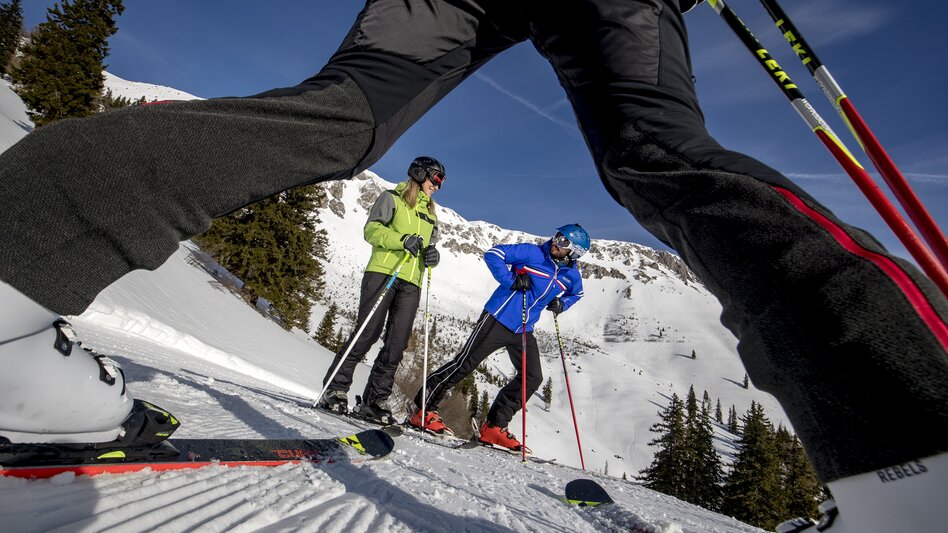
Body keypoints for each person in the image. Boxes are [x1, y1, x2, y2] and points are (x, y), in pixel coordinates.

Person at [0, 2, 944, 530]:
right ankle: (912, 453)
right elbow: (511, 258)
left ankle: (12, 277)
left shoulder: (565, 270)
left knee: (341, 114)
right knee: (658, 155)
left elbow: (556, 278)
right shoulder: (531, 252)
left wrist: (554, 278)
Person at [407, 224, 588, 452]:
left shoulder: (571, 275)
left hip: (523, 328)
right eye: (557, 236)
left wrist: (562, 304)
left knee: (532, 377)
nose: (556, 242)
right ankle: (422, 410)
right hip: (497, 318)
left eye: (564, 242)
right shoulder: (532, 253)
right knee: (464, 364)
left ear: (574, 252)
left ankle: (493, 427)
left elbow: (577, 294)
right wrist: (510, 280)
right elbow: (494, 254)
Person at [315, 156, 443, 425]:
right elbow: (372, 230)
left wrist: (432, 256)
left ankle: (374, 401)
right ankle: (335, 390)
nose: (438, 186)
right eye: (436, 178)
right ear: (420, 174)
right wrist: (401, 241)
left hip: (412, 282)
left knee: (396, 345)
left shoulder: (431, 215)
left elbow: (430, 246)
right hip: (384, 272)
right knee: (367, 333)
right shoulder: (392, 199)